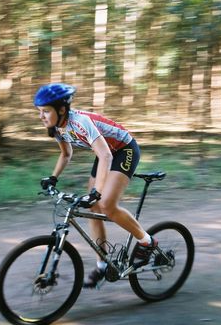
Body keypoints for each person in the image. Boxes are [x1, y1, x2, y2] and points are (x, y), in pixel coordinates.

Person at [34, 82, 158, 289]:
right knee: (93, 206)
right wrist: (53, 177)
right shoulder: (57, 128)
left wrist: (97, 192)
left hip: (123, 150)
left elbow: (106, 155)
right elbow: (66, 154)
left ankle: (147, 242)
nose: (41, 117)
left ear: (62, 109)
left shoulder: (80, 122)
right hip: (105, 153)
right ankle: (103, 265)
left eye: (46, 111)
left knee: (107, 204)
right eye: (39, 112)